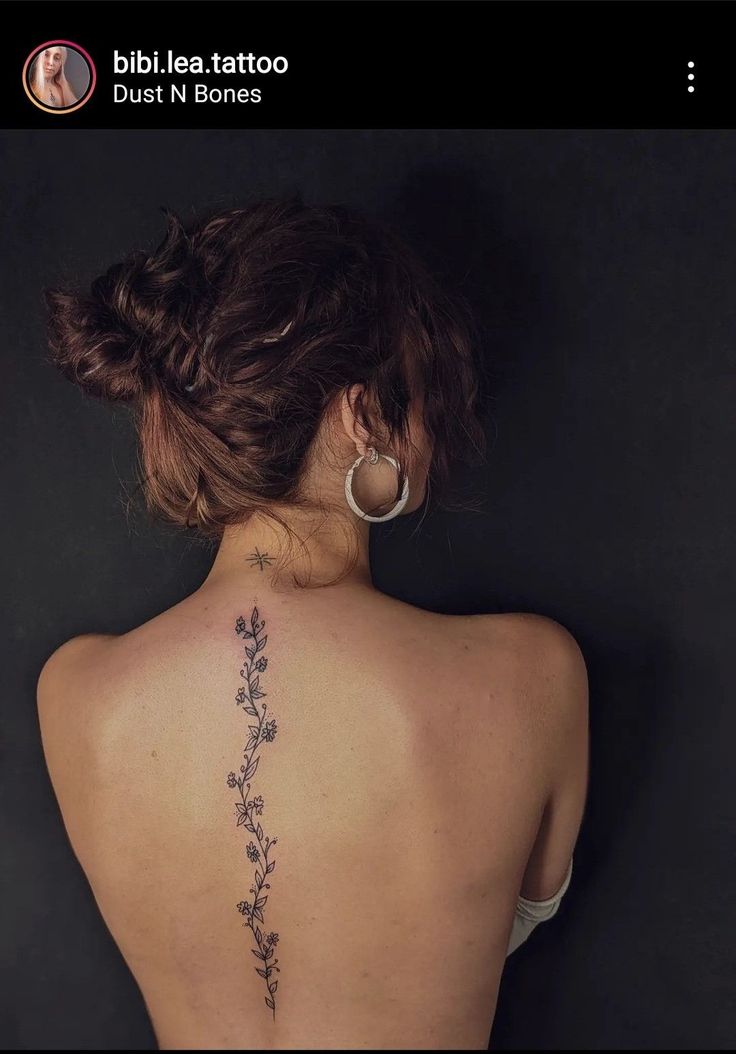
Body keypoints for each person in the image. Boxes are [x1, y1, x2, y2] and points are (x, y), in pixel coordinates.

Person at [37, 197, 589, 1050]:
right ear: (364, 417)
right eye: (425, 386)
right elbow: (510, 916)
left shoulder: (74, 694)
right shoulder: (531, 676)